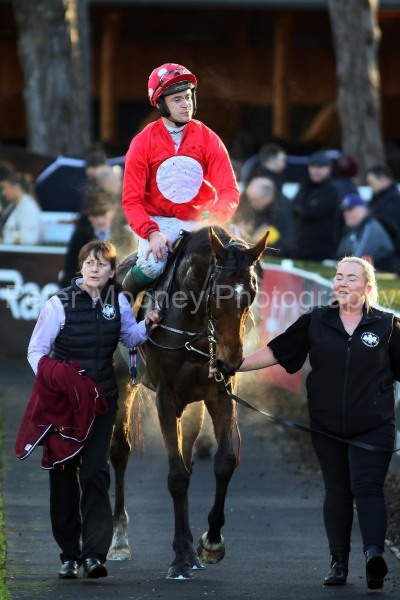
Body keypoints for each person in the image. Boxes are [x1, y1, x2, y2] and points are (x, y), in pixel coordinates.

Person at [210, 256, 400, 590]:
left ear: (368, 288)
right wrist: (233, 366)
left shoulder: (387, 326)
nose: (342, 283)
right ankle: (338, 563)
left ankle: (374, 557)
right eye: (339, 277)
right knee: (337, 490)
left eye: (351, 278)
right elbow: (277, 351)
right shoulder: (316, 320)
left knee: (367, 487)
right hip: (326, 426)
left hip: (374, 425)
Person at [23, 240, 161, 580]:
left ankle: (94, 556)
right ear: (81, 267)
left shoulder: (119, 301)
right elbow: (36, 351)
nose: (94, 268)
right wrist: (56, 382)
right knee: (64, 475)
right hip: (64, 404)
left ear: (113, 271)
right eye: (89, 263)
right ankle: (69, 556)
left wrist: (148, 326)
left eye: (101, 264)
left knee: (95, 473)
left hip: (102, 401)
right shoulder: (58, 304)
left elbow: (129, 338)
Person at [121, 62, 240, 296]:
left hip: (200, 219)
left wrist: (213, 218)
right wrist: (152, 233)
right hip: (157, 223)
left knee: (233, 266)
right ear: (161, 104)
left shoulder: (209, 138)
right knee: (153, 266)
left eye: (188, 97)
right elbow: (131, 201)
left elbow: (229, 191)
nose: (186, 104)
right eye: (177, 99)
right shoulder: (142, 142)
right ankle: (121, 305)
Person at [59, 182, 118, 287]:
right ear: (89, 217)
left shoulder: (125, 236)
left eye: (103, 213)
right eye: (95, 215)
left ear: (112, 212)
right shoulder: (80, 238)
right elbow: (70, 271)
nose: (100, 220)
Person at [291, 150, 341, 261]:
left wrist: (302, 209)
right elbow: (295, 207)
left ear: (328, 169)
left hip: (322, 249)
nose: (316, 171)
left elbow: (313, 211)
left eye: (320, 167)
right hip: (301, 246)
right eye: (313, 166)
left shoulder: (331, 190)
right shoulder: (305, 186)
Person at [336, 193, 400, 273]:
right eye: (344, 210)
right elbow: (340, 253)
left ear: (363, 209)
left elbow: (358, 257)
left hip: (385, 270)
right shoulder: (354, 228)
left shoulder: (371, 226)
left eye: (350, 209)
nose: (346, 214)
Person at [233, 175, 294, 256]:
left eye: (255, 200)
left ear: (267, 197)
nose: (252, 204)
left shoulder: (282, 211)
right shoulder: (260, 206)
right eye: (250, 200)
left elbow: (282, 241)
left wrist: (255, 238)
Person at [0, 170, 43, 244]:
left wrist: (4, 241)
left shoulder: (28, 209)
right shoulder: (13, 206)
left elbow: (29, 238)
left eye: (5, 188)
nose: (3, 192)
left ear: (16, 187)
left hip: (23, 251)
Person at [366, 164, 400, 236]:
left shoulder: (393, 201)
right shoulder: (377, 198)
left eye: (371, 183)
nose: (369, 187)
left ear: (383, 180)